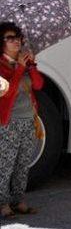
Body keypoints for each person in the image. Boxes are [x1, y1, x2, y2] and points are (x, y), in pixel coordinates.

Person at [0, 22, 44, 218]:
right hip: (8, 122)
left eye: (18, 37)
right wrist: (19, 68)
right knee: (5, 164)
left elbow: (38, 85)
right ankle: (3, 204)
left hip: (28, 119)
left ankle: (18, 200)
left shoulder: (24, 62)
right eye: (10, 38)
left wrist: (31, 66)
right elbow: (7, 92)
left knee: (22, 162)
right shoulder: (1, 65)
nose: (16, 41)